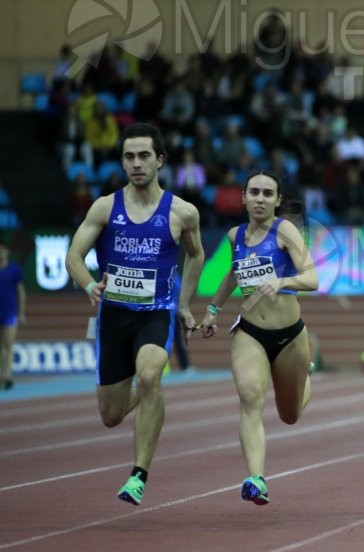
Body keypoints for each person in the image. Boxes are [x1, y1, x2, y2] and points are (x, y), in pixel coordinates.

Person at [65, 122, 204, 505]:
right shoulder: (105, 207)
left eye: (144, 156)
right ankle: (148, 393)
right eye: (129, 156)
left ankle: (138, 475)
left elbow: (196, 255)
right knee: (110, 415)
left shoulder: (182, 212)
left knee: (148, 375)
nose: (136, 163)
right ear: (122, 161)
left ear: (160, 160)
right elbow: (73, 256)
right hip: (112, 318)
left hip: (155, 316)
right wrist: (89, 283)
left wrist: (184, 304)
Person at [200, 171, 318, 506]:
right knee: (250, 396)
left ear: (277, 200)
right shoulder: (235, 236)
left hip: (290, 335)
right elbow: (233, 274)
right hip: (250, 331)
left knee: (289, 414)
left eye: (268, 193)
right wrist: (212, 309)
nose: (261, 199)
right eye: (255, 192)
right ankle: (256, 479)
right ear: (244, 196)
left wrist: (281, 283)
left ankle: (304, 374)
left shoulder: (285, 230)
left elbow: (313, 278)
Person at [0, 243, 25, 390]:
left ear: (7, 252)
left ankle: (7, 375)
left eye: (3, 249)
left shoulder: (14, 269)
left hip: (9, 312)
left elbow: (20, 291)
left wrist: (21, 312)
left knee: (8, 345)